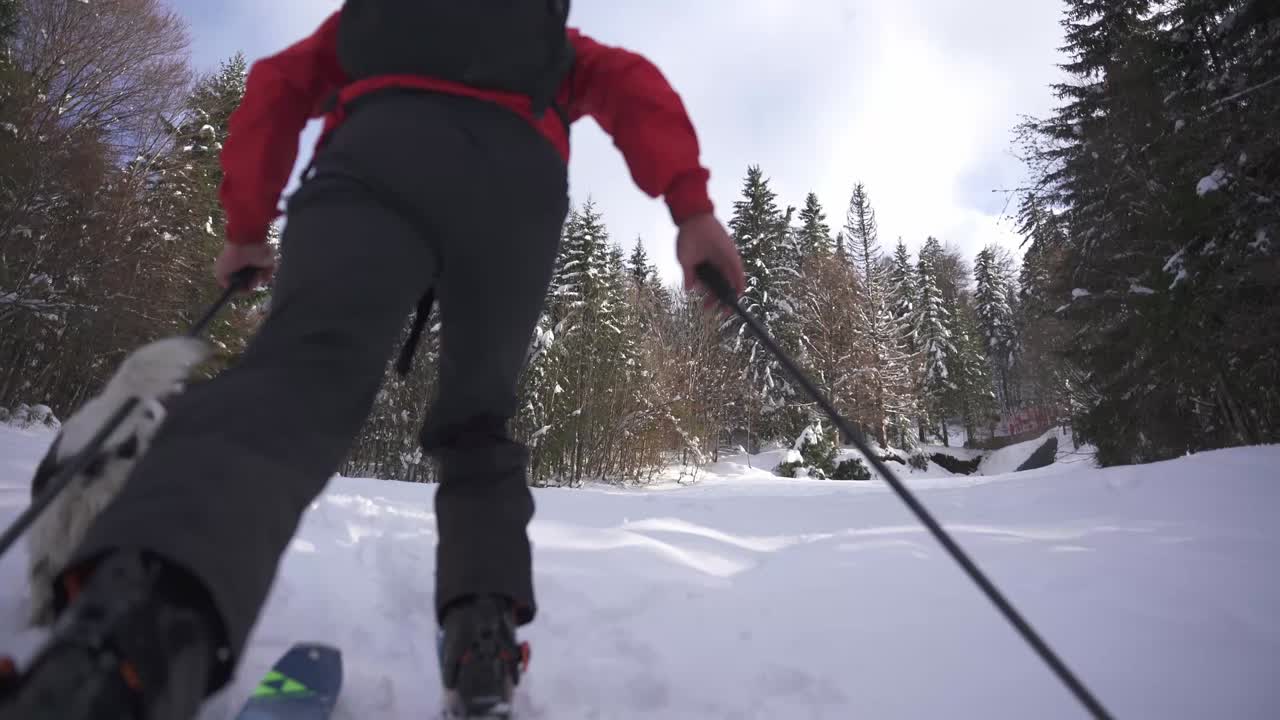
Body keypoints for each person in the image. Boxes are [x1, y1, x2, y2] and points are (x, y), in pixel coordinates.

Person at [2, 2, 746, 719]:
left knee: (296, 380)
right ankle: (479, 648)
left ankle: (130, 640)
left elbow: (275, 89)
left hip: (375, 157)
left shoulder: (373, 21)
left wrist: (247, 228)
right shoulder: (545, 35)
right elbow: (632, 85)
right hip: (516, 182)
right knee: (479, 418)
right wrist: (691, 209)